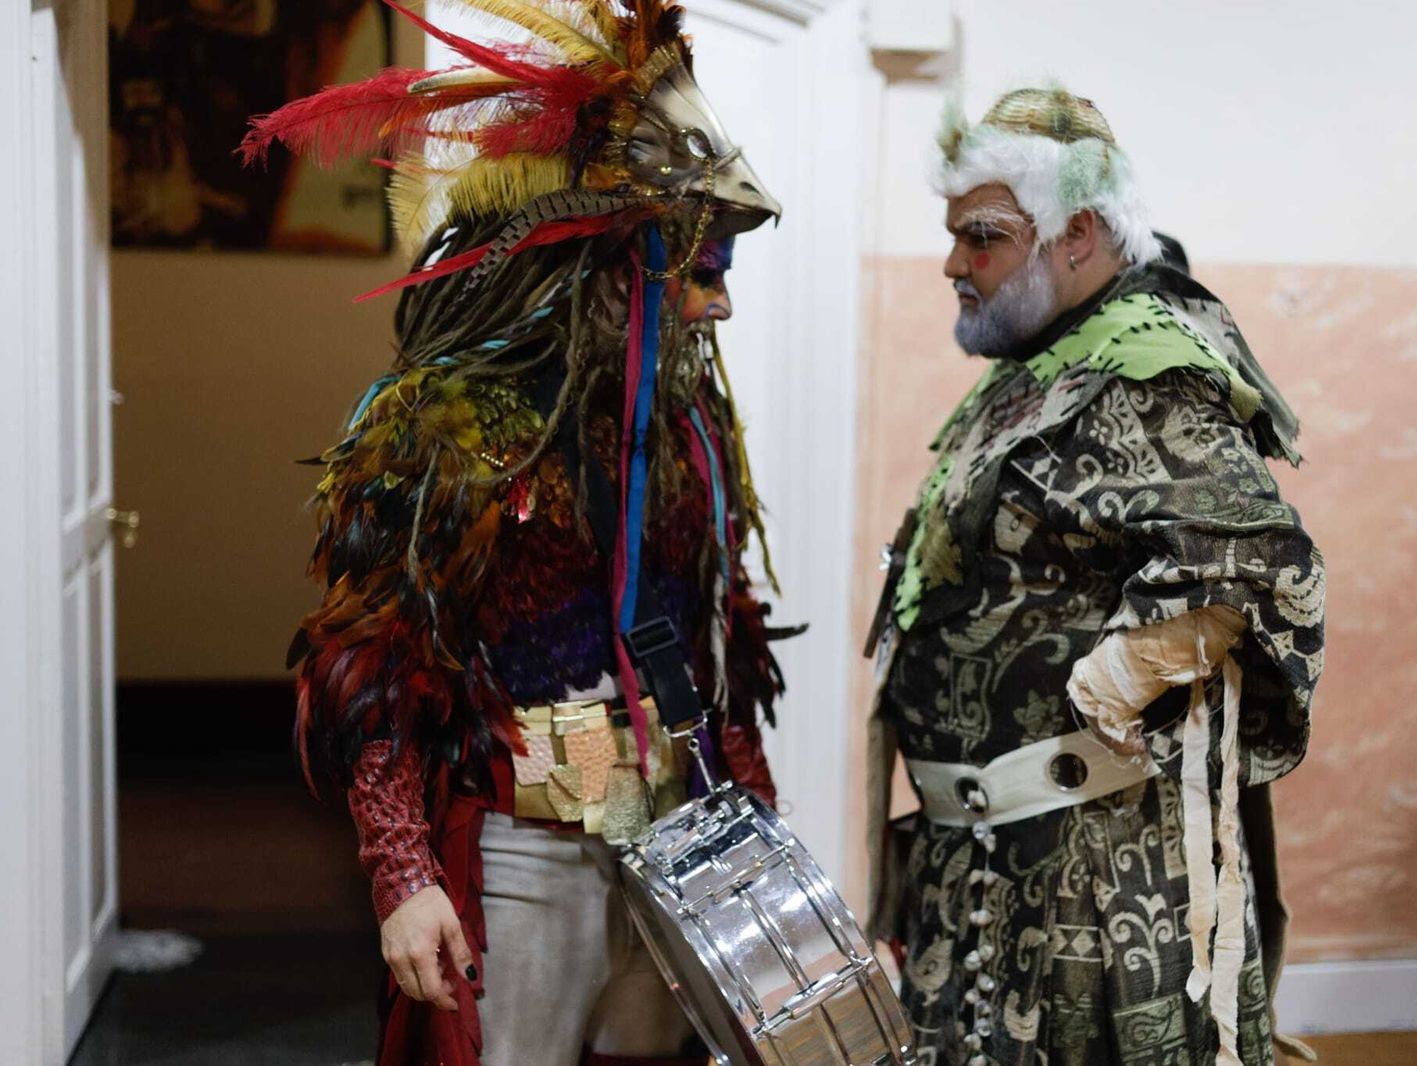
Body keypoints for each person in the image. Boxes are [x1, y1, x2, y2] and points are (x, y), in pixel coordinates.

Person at [242, 4, 791, 1064]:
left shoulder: (689, 427)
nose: (717, 306)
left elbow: (718, 631)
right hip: (523, 850)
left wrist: (751, 823)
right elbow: (373, 670)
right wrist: (403, 875)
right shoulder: (448, 427)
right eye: (702, 269)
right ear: (612, 264)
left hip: (675, 839)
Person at [863, 87, 1326, 1065]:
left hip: (1086, 883)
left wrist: (1128, 671)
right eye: (955, 236)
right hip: (986, 869)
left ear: (1073, 233)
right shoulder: (1041, 361)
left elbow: (1262, 563)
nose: (954, 263)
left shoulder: (1145, 363)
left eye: (981, 237)